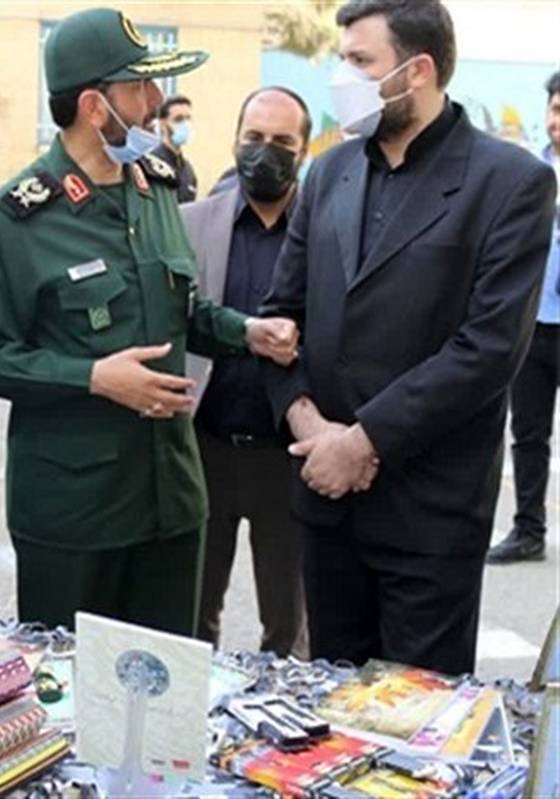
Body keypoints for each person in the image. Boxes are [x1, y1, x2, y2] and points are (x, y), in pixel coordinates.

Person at [0, 7, 299, 634]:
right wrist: (93, 378)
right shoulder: (20, 218)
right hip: (75, 514)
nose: (156, 101)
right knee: (72, 682)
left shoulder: (155, 189)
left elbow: (179, 311)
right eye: (140, 86)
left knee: (163, 678)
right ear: (93, 106)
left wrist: (246, 332)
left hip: (171, 501)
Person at [261, 0, 556, 675]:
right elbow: (279, 319)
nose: (342, 77)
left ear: (417, 70)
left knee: (419, 720)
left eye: (360, 61)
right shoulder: (328, 172)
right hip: (326, 499)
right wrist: (311, 427)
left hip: (429, 515)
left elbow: (488, 349)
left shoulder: (509, 182)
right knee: (330, 703)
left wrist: (362, 442)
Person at [182, 86, 313, 658]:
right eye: (254, 137)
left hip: (285, 457)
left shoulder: (325, 230)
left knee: (289, 627)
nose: (265, 151)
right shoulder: (191, 223)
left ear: (303, 150)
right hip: (201, 448)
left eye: (282, 141)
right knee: (191, 618)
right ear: (235, 140)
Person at [486, 70, 560, 564]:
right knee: (528, 432)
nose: (558, 121)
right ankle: (528, 530)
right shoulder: (530, 172)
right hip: (532, 324)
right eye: (555, 109)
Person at [153, 94, 198, 203]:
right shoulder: (151, 165)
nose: (185, 125)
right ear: (162, 124)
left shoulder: (188, 170)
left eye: (188, 118)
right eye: (178, 119)